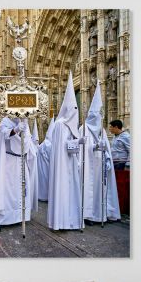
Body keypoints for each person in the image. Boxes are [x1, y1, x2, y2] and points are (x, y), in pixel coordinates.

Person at [45, 73, 85, 231]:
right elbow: (64, 147)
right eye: (74, 108)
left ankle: (70, 220)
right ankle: (61, 221)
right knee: (64, 191)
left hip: (69, 164)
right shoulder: (61, 125)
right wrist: (78, 142)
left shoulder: (65, 124)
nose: (76, 111)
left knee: (70, 192)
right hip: (63, 166)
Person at [0, 116, 37, 233]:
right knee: (6, 191)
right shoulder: (5, 120)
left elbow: (27, 141)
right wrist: (15, 130)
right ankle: (0, 220)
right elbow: (4, 134)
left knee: (21, 190)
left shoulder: (24, 121)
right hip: (8, 162)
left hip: (21, 161)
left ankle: (20, 216)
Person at [82, 82, 121, 225]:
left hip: (101, 164)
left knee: (102, 190)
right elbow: (82, 148)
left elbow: (107, 149)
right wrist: (94, 146)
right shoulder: (84, 129)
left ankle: (102, 213)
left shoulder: (102, 130)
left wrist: (107, 154)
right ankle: (89, 215)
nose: (97, 119)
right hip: (90, 165)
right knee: (91, 190)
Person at [108, 118, 130, 217]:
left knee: (121, 187)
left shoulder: (125, 136)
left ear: (116, 127)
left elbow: (131, 150)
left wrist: (127, 165)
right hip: (114, 163)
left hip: (121, 163)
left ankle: (122, 208)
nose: (110, 129)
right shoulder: (115, 137)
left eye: (111, 127)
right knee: (116, 186)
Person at [35, 127, 52, 202]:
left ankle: (40, 195)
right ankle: (46, 196)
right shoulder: (49, 145)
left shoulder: (43, 143)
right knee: (46, 181)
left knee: (42, 182)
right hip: (47, 166)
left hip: (41, 166)